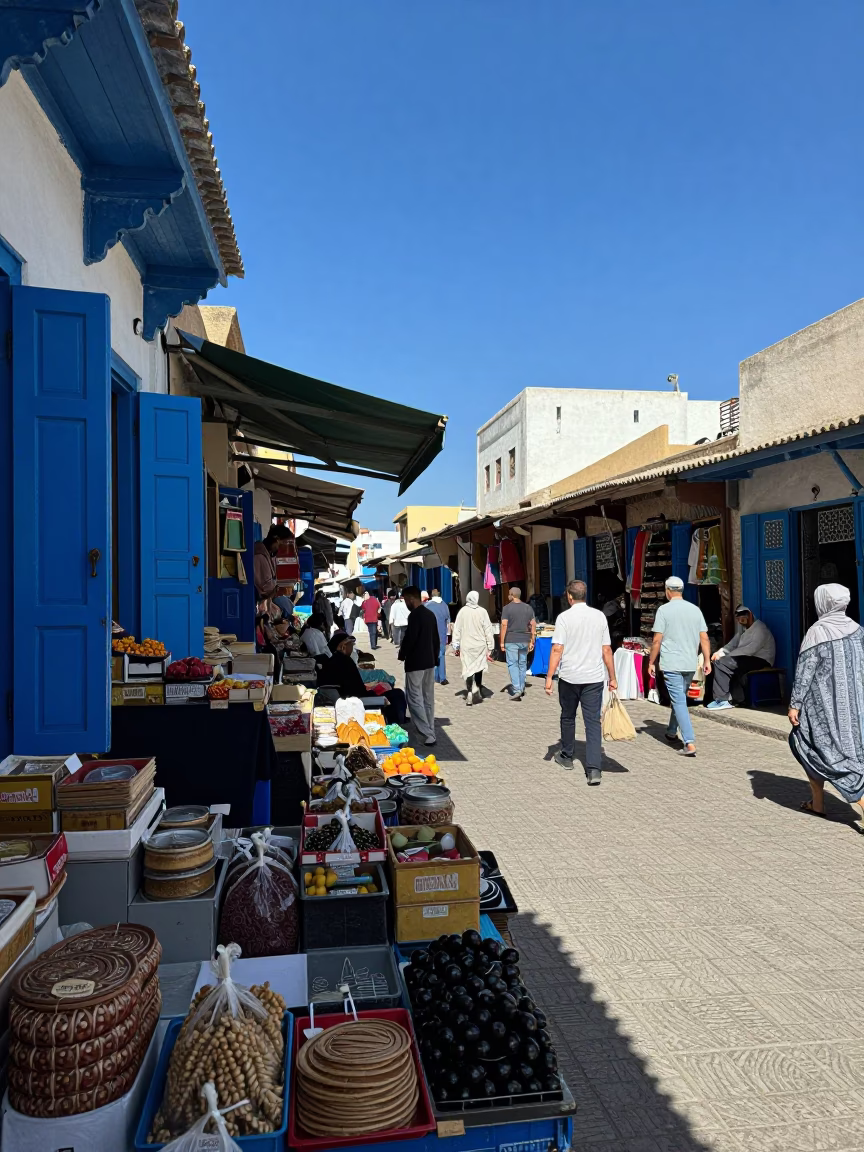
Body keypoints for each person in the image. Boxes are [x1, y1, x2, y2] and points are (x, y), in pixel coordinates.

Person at [789, 584, 864, 822]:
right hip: (855, 708)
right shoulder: (857, 629)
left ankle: (861, 801)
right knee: (848, 752)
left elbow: (805, 671)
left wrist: (795, 704)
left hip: (822, 709)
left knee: (812, 747)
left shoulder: (818, 631)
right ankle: (818, 803)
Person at [544, 580, 616, 783]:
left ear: (569, 596)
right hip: (593, 678)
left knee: (568, 716)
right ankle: (594, 769)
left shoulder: (564, 618)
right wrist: (613, 677)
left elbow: (557, 649)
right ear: (586, 595)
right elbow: (606, 650)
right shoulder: (599, 616)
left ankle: (567, 755)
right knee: (592, 722)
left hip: (569, 677)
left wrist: (549, 677)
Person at [648, 576, 712, 757]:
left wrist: (651, 662)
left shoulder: (663, 610)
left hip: (671, 663)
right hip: (689, 663)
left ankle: (689, 742)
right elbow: (704, 638)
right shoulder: (695, 610)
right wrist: (706, 660)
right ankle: (670, 730)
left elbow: (657, 640)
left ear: (667, 590)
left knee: (679, 701)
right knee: (680, 698)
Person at [707, 605, 775, 709]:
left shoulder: (760, 629)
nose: (741, 622)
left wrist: (726, 657)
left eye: (743, 619)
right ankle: (736, 699)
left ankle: (723, 699)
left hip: (760, 659)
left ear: (750, 616)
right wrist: (719, 653)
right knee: (717, 662)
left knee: (722, 663)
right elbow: (731, 645)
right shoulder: (743, 630)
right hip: (745, 658)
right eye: (739, 620)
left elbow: (750, 650)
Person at [398, 586, 440, 746]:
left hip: (416, 662)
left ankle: (427, 732)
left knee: (414, 698)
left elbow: (410, 638)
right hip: (429, 662)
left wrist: (402, 653)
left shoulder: (415, 616)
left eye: (405, 600)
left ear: (411, 599)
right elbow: (436, 639)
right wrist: (435, 658)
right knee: (428, 697)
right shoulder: (430, 614)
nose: (406, 604)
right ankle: (431, 731)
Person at [452, 591, 495, 706]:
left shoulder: (462, 612)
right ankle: (478, 688)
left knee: (468, 669)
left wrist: (455, 645)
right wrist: (490, 646)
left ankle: (470, 691)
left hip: (466, 646)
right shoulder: (483, 612)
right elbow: (488, 630)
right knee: (478, 668)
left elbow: (457, 629)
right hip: (480, 646)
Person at [500, 586, 536, 700]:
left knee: (512, 663)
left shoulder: (507, 609)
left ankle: (517, 689)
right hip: (525, 639)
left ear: (512, 595)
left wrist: (501, 642)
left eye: (509, 594)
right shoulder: (528, 608)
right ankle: (522, 686)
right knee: (522, 663)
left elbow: (504, 625)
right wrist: (532, 640)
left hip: (511, 639)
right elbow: (533, 624)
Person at [253, 526, 291, 604]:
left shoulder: (269, 554)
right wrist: (277, 588)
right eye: (283, 543)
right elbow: (264, 587)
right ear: (276, 539)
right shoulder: (259, 555)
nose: (282, 548)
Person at [427, 588, 452, 685]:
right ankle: (442, 677)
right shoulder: (445, 605)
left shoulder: (427, 606)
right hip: (441, 634)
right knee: (441, 656)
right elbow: (448, 621)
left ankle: (434, 677)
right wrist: (448, 634)